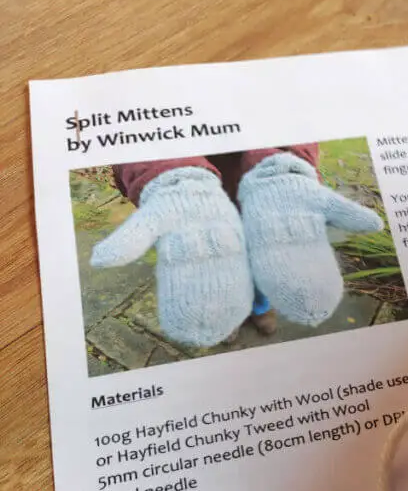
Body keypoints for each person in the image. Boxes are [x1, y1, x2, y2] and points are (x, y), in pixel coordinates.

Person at [92, 143, 383, 348]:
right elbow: (129, 119)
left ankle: (260, 306)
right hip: (195, 206)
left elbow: (290, 100)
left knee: (268, 256)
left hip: (258, 191)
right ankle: (229, 315)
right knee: (207, 263)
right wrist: (174, 180)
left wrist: (281, 168)